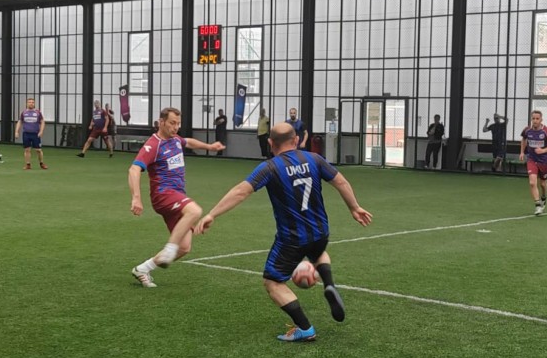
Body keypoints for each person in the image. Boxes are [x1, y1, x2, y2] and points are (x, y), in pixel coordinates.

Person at [194, 122, 372, 343]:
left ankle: (305, 328)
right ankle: (329, 284)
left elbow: (241, 192)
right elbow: (341, 181)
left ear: (270, 143)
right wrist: (354, 207)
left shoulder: (270, 167)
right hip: (320, 231)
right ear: (296, 140)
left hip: (292, 239)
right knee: (318, 252)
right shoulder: (314, 159)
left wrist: (212, 214)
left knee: (273, 282)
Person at [128, 107, 225, 288]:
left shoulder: (175, 140)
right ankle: (169, 248)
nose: (176, 127)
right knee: (194, 210)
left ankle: (142, 269)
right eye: (172, 123)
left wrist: (209, 147)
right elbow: (134, 169)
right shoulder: (153, 145)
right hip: (163, 195)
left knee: (184, 247)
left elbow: (188, 142)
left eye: (178, 124)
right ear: (161, 122)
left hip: (177, 195)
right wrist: (136, 198)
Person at [519, 110, 547, 215]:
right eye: (533, 118)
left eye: (537, 119)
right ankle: (538, 205)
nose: (535, 121)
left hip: (543, 161)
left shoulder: (546, 132)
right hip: (531, 159)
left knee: (543, 184)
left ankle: (544, 197)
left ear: (541, 120)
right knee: (532, 182)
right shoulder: (527, 130)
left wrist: (543, 151)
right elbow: (523, 139)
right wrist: (522, 152)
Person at [15, 98, 48, 170]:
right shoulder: (24, 113)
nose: (31, 103)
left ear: (34, 103)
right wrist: (16, 131)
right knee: (27, 150)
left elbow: (42, 122)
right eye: (29, 102)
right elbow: (20, 122)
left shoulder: (38, 112)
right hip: (26, 134)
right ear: (27, 103)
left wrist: (41, 131)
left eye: (32, 102)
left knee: (38, 150)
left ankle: (41, 163)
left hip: (35, 134)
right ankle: (28, 164)